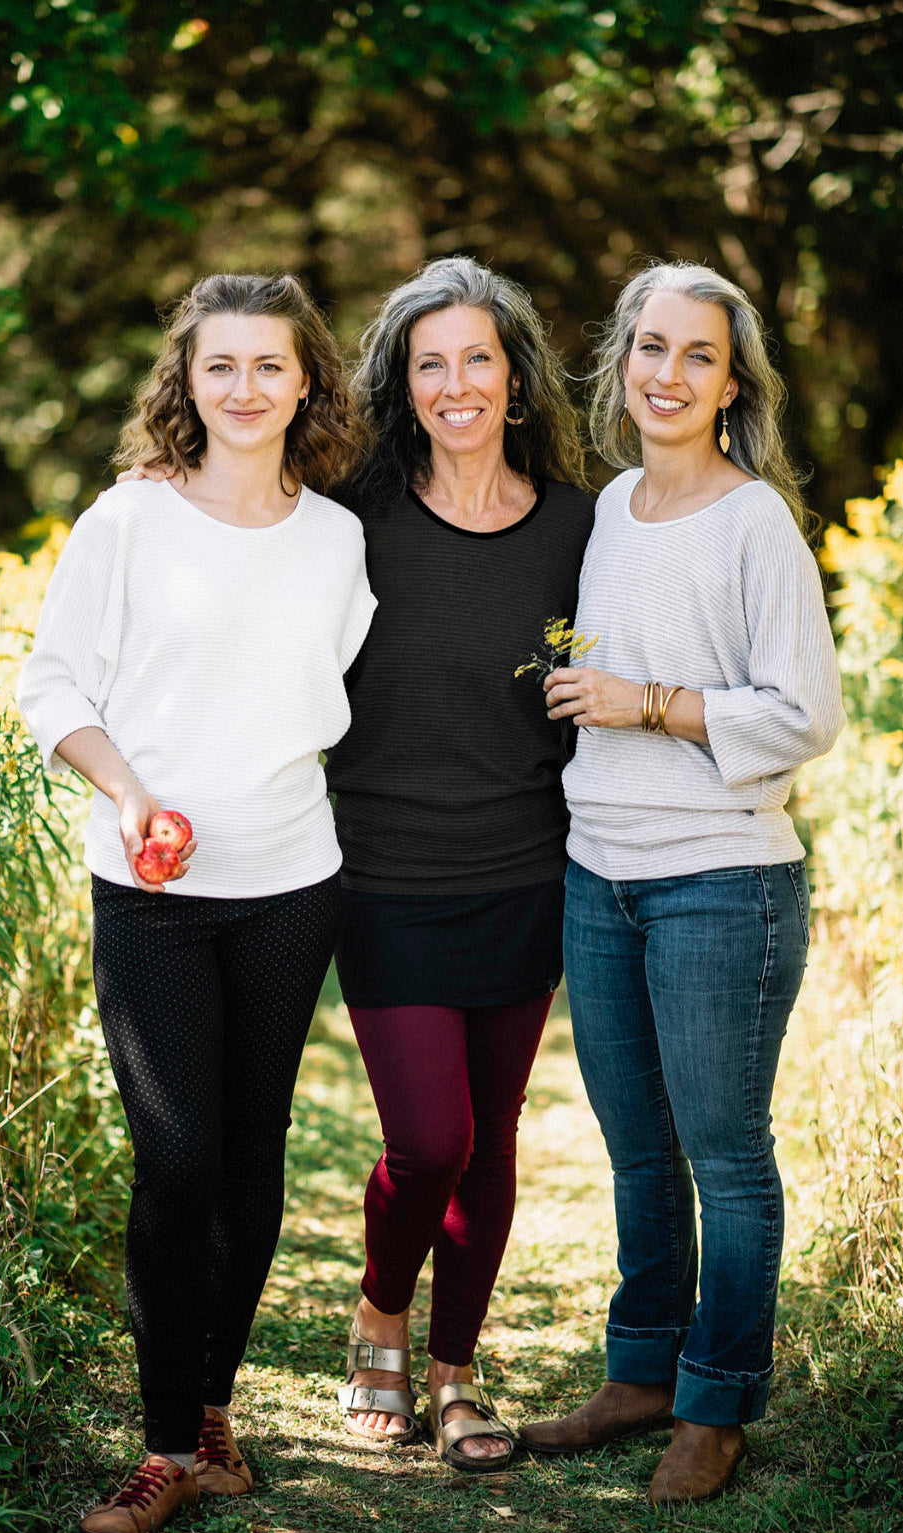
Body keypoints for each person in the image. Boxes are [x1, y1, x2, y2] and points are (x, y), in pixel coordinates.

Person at [18, 273, 375, 1533]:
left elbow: (328, 692)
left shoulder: (335, 539)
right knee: (175, 1156)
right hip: (154, 886)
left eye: (269, 365)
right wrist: (125, 793)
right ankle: (164, 1445)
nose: (243, 388)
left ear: (306, 381)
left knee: (248, 1155)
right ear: (186, 381)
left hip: (292, 880)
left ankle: (210, 1419)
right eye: (218, 366)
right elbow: (51, 680)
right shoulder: (129, 519)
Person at [517, 261, 844, 1504]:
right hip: (597, 872)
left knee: (723, 1153)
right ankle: (639, 1371)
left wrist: (644, 705)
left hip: (719, 883)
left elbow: (805, 713)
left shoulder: (753, 519)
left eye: (695, 354)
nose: (666, 372)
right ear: (620, 362)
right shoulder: (605, 511)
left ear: (729, 382)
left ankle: (713, 1404)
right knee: (635, 1150)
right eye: (648, 346)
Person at [324, 257, 595, 1471]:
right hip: (381, 870)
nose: (454, 384)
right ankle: (380, 1304)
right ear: (403, 384)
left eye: (475, 358)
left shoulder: (575, 528)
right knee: (426, 1135)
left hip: (525, 869)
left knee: (489, 1139)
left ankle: (451, 1373)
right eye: (428, 364)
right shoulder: (349, 520)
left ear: (515, 375)